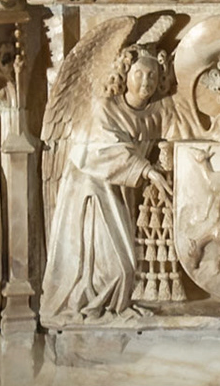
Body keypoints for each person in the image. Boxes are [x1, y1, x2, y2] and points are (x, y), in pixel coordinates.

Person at [40, 45, 174, 320]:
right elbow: (101, 150)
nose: (146, 81)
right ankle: (93, 307)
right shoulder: (104, 107)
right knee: (116, 268)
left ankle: (113, 306)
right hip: (91, 190)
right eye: (139, 73)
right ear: (125, 74)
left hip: (121, 190)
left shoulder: (156, 112)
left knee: (126, 266)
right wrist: (147, 171)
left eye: (152, 75)